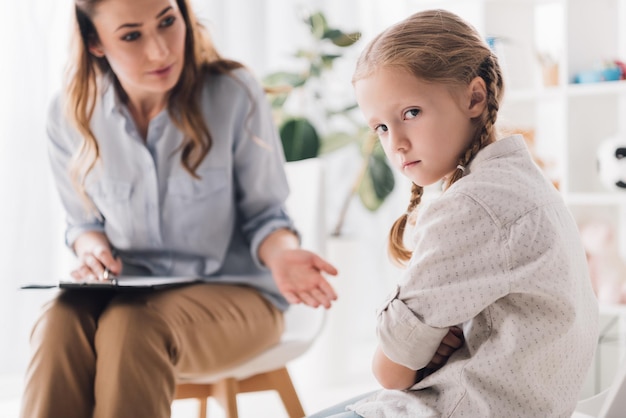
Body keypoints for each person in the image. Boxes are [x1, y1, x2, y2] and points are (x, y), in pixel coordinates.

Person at [20, 1, 339, 417]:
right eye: (132, 35)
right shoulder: (69, 115)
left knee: (133, 327)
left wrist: (282, 256)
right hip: (127, 294)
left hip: (237, 294)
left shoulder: (233, 92)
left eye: (168, 22)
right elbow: (83, 224)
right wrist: (91, 250)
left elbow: (266, 216)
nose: (161, 51)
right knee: (59, 319)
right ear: (95, 41)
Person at [308, 9, 599, 418]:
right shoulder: (520, 181)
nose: (397, 144)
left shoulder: (473, 206)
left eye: (410, 113)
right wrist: (428, 341)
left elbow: (389, 372)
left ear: (474, 97)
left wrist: (418, 345)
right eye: (381, 128)